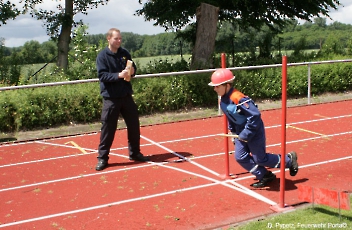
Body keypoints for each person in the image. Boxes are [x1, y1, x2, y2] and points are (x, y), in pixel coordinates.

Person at [209, 68, 298, 188]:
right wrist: (233, 132)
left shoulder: (238, 97)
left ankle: (288, 160)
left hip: (253, 130)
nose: (215, 89)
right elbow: (230, 117)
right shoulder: (222, 101)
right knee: (240, 157)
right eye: (214, 86)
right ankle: (264, 175)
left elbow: (255, 115)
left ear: (227, 85)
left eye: (217, 86)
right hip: (240, 132)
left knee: (260, 159)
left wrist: (246, 133)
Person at [95, 28, 150, 171]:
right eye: (116, 39)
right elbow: (102, 76)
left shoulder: (124, 53)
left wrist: (132, 71)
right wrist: (118, 75)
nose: (119, 41)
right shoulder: (102, 56)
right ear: (108, 39)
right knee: (108, 129)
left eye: (120, 39)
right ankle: (103, 158)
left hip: (126, 96)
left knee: (133, 125)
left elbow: (133, 69)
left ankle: (135, 153)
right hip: (111, 98)